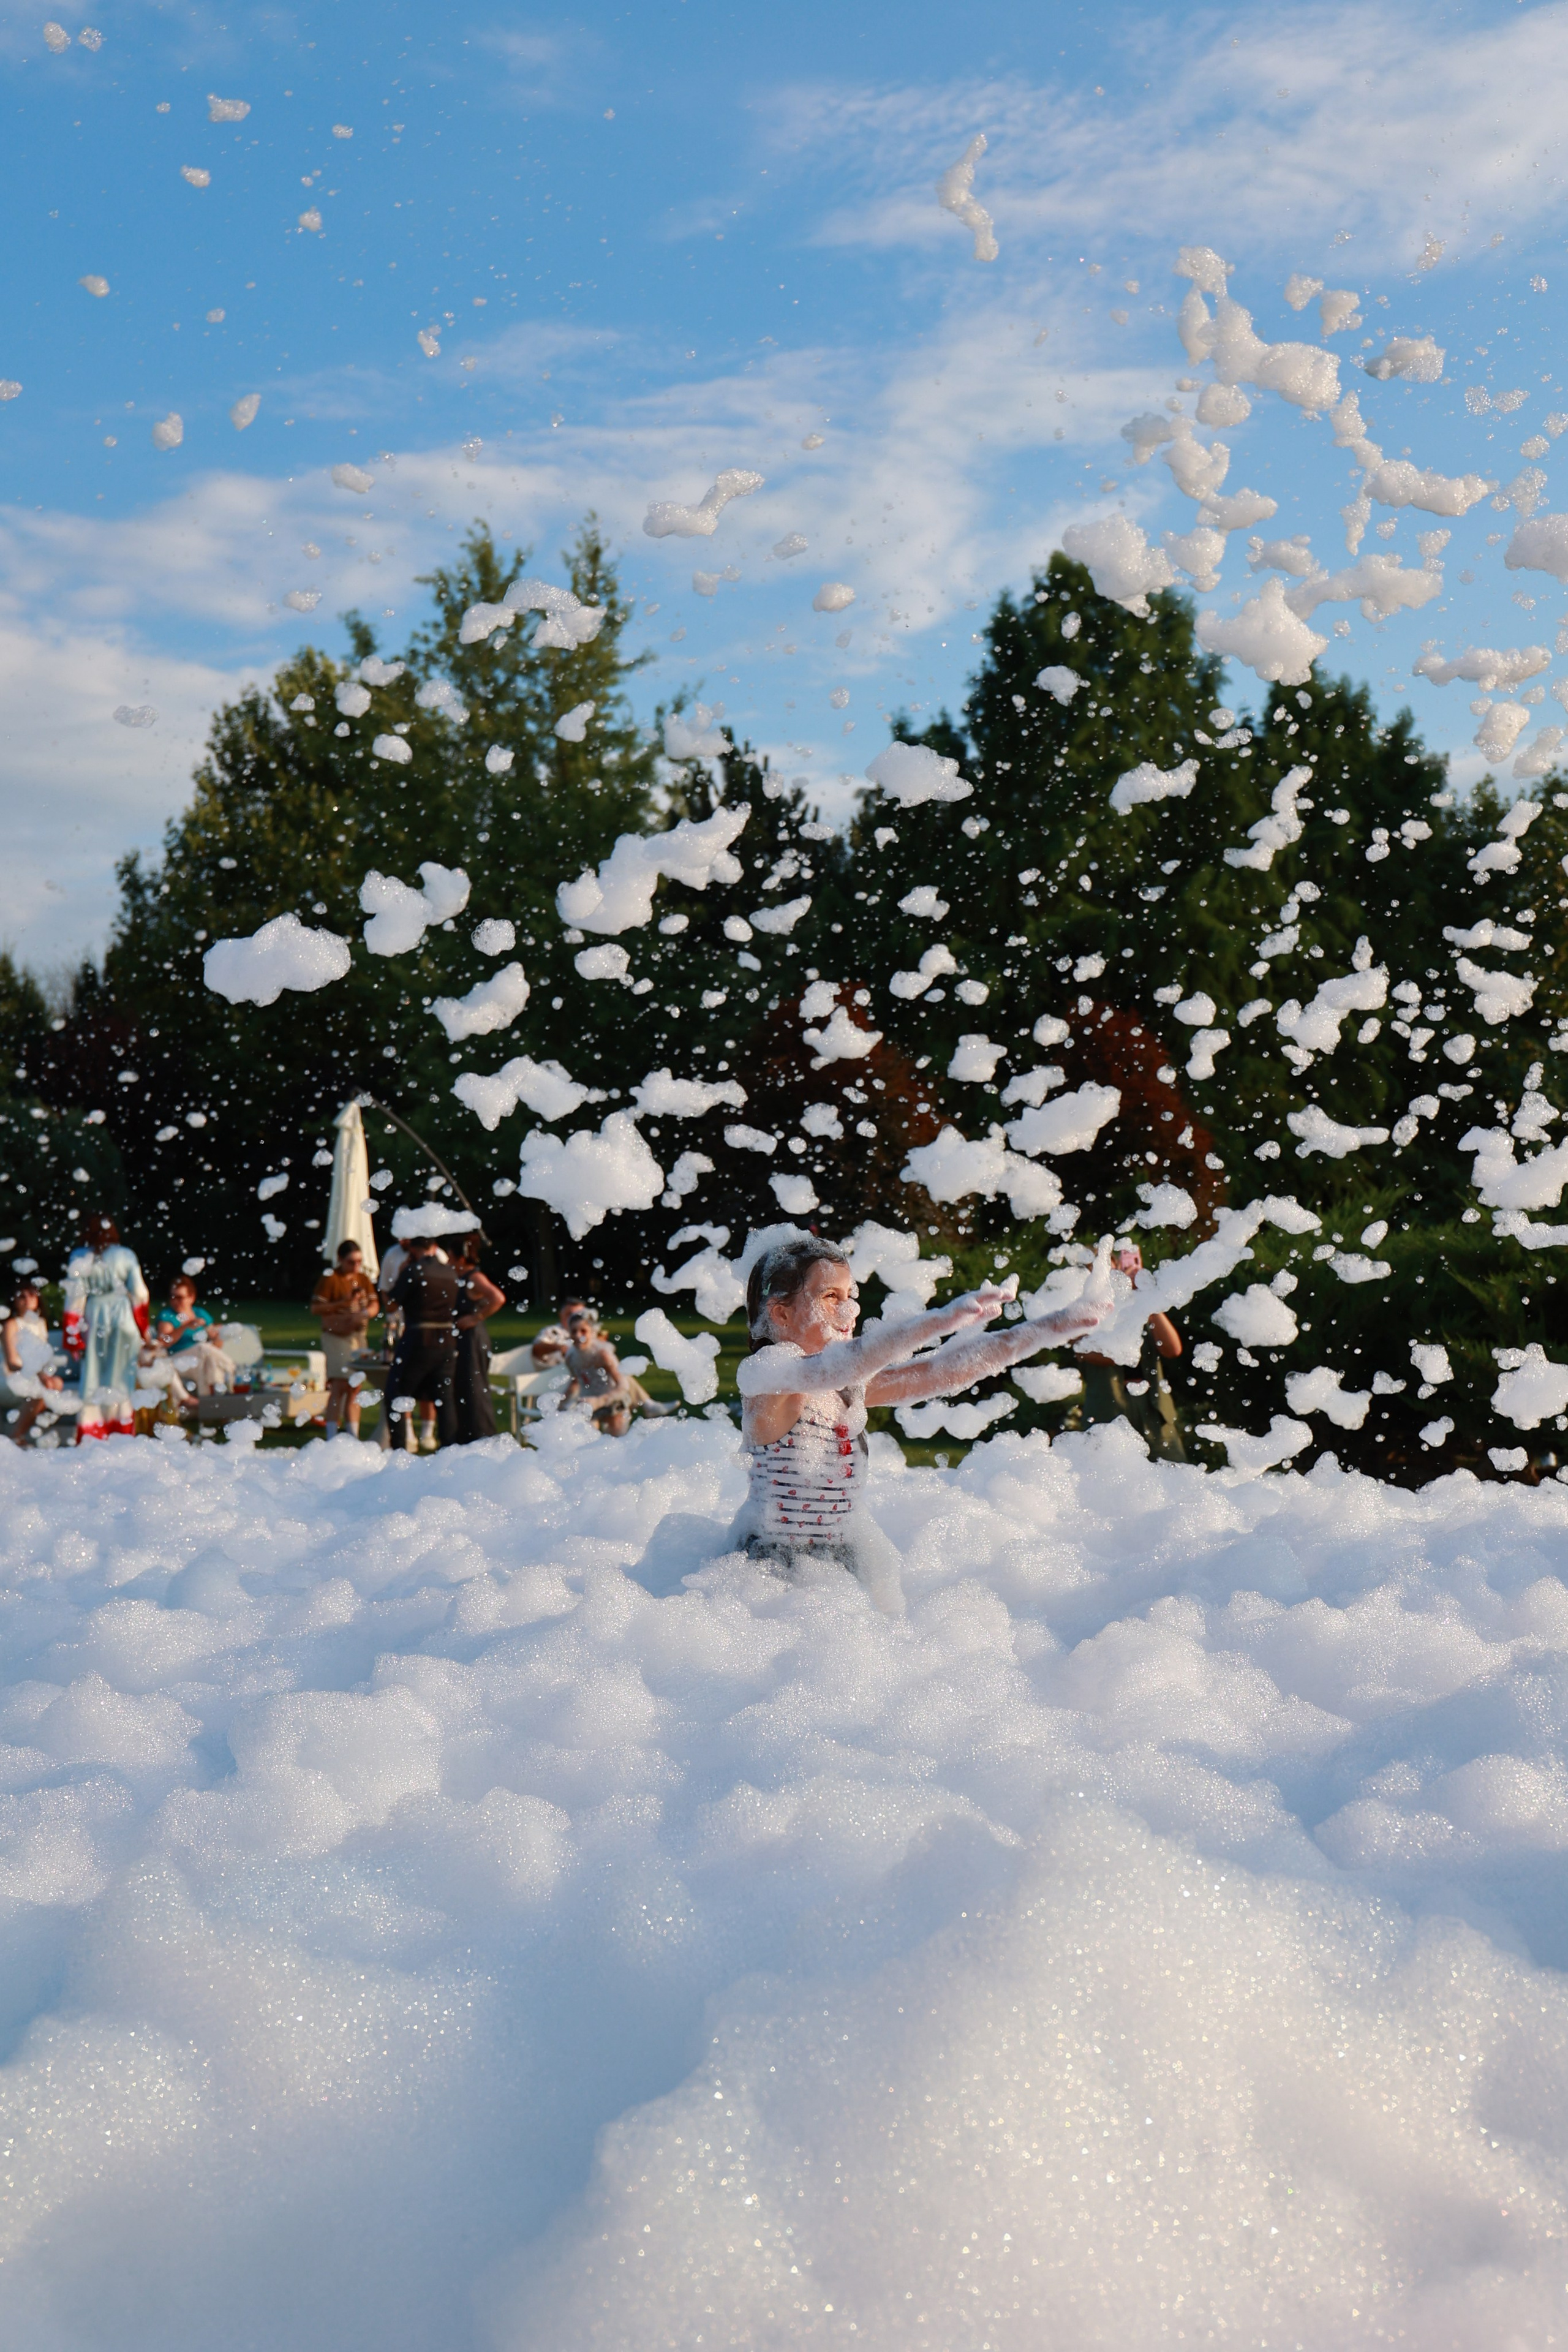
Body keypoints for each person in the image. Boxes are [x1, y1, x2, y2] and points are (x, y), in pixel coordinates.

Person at [729, 1235, 1109, 1613]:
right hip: (771, 1582)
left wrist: (1055, 1326)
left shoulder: (846, 1386)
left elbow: (941, 1370)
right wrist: (938, 1320)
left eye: (850, 1296)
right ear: (780, 1314)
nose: (850, 1312)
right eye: (831, 1297)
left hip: (841, 1567)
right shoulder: (765, 1381)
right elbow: (852, 1360)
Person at [1071, 1240, 1185, 1461]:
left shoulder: (1138, 1306)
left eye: (1108, 1271)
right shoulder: (1079, 1315)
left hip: (1155, 1410)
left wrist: (1145, 1297)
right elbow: (1101, 1355)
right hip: (1105, 1416)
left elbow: (1173, 1349)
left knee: (1176, 1477)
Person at [63, 1213, 150, 1441]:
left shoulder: (79, 1256)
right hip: (124, 1319)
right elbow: (140, 1293)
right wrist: (143, 1327)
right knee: (122, 1379)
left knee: (93, 1376)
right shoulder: (126, 1255)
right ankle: (121, 1433)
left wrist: (72, 1334)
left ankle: (92, 1433)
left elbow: (75, 1297)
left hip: (94, 1317)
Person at [385, 1226, 461, 1452]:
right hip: (447, 1340)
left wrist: (400, 1274)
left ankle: (399, 1449)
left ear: (415, 1249)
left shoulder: (413, 1271)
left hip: (419, 1338)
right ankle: (450, 1449)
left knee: (396, 1394)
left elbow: (391, 1305)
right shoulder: (450, 1272)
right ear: (435, 1247)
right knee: (445, 1399)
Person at [560, 1304, 672, 1434]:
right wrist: (561, 1403)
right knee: (587, 1444)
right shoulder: (571, 1358)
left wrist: (600, 1401)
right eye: (574, 1331)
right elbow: (576, 1382)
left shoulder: (602, 1355)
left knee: (615, 1445)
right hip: (589, 1405)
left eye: (583, 1331)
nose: (579, 1336)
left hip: (613, 1404)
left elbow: (623, 1386)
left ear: (593, 1333)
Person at [309, 1240, 380, 1439]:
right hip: (336, 1336)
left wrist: (364, 1313)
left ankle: (353, 1435)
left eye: (359, 1261)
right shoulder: (331, 1279)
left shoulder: (363, 1278)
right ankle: (332, 1435)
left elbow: (375, 1304)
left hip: (358, 1336)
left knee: (355, 1386)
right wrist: (345, 1303)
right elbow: (316, 1308)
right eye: (351, 1262)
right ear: (340, 1259)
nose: (356, 1266)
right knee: (340, 1385)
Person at [452, 1229, 504, 1443]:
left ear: (461, 1258)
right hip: (465, 1340)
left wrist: (476, 1317)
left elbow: (498, 1298)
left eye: (450, 1258)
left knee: (474, 1386)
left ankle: (483, 1437)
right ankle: (466, 1436)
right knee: (464, 1386)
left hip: (473, 1340)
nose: (448, 1262)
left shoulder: (474, 1277)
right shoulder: (463, 1278)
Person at [150, 1274, 236, 1400]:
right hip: (176, 1360)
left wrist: (217, 1336)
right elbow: (164, 1342)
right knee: (203, 1348)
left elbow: (217, 1346)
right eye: (172, 1297)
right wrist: (185, 1326)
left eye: (179, 1297)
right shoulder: (168, 1316)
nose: (175, 1301)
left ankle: (215, 1402)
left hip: (199, 1360)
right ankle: (231, 1369)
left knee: (208, 1360)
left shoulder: (200, 1314)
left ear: (191, 1297)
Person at [1, 1281, 65, 1446]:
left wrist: (45, 1376)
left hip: (29, 1378)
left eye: (31, 1294)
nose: (27, 1299)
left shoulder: (41, 1324)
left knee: (55, 1383)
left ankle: (19, 1434)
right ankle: (16, 1437)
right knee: (43, 1388)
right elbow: (12, 1363)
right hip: (9, 1380)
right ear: (14, 1301)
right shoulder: (11, 1324)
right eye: (21, 1296)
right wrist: (38, 1374)